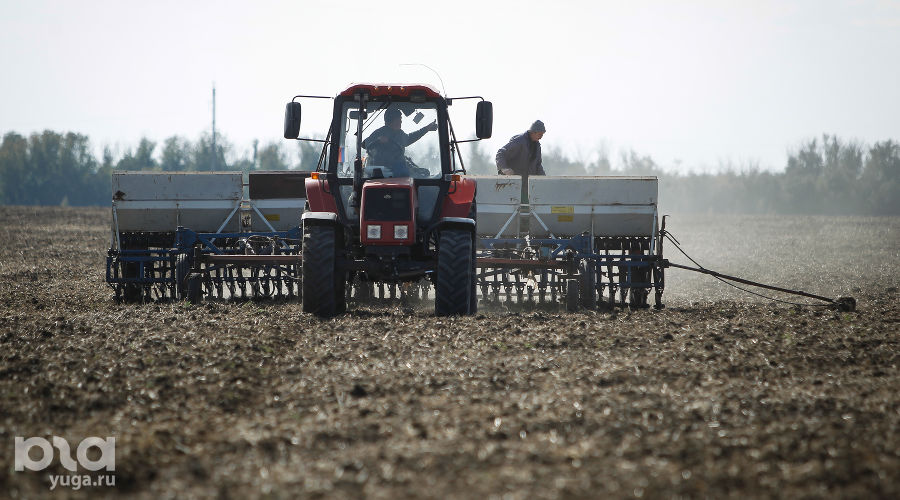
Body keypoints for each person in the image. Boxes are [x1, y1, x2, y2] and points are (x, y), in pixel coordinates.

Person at [363, 107, 437, 177]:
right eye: (399, 119)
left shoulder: (400, 134)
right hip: (381, 172)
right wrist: (378, 141)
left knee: (424, 174)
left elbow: (410, 138)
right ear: (391, 120)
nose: (401, 121)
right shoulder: (379, 133)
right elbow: (363, 144)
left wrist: (427, 128)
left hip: (400, 170)